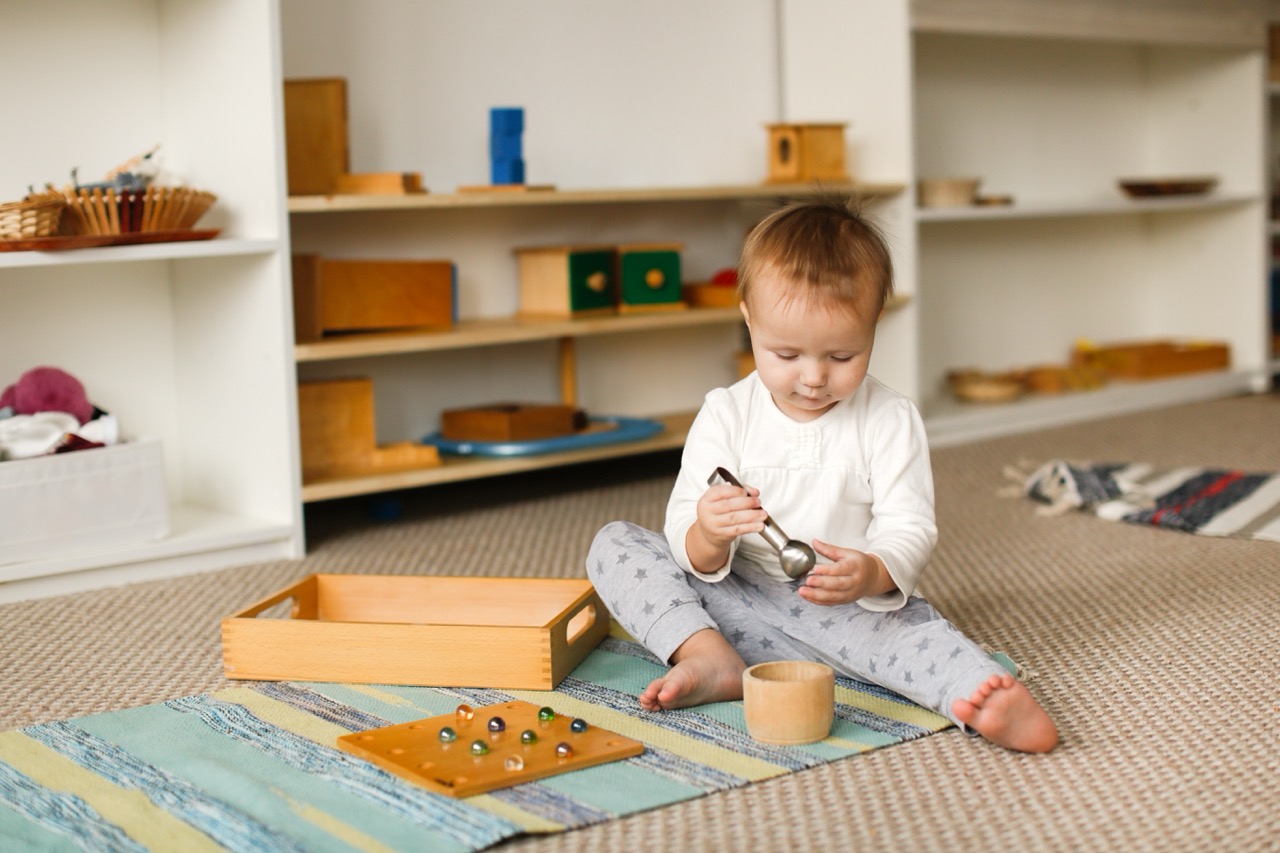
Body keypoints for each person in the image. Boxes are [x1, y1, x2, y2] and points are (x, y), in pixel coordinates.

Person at [586, 195, 1058, 753]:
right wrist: (709, 533)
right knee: (616, 545)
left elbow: (910, 527)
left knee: (911, 640)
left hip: (842, 608)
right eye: (785, 354)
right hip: (728, 599)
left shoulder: (889, 418)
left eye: (841, 356)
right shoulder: (725, 412)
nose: (812, 378)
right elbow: (686, 544)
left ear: (873, 324)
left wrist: (870, 572)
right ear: (748, 319)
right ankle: (707, 656)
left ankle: (975, 693)